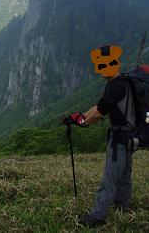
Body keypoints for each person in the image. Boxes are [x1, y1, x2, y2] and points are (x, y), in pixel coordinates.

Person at [60, 45, 133, 228]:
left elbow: (98, 113)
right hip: (129, 136)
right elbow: (98, 107)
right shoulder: (120, 82)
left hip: (119, 139)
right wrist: (79, 117)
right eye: (100, 64)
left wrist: (80, 122)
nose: (102, 68)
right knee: (124, 174)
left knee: (110, 177)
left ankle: (96, 217)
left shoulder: (116, 87)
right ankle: (122, 206)